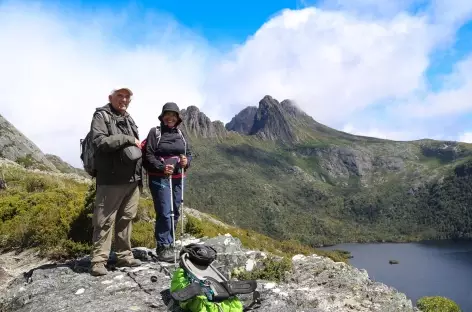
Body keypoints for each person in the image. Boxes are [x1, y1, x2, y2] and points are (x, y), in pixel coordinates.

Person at [89, 87, 143, 276]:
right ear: (110, 97)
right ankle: (98, 261)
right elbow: (100, 142)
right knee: (104, 220)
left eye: (127, 96)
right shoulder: (101, 117)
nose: (124, 99)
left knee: (126, 219)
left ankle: (124, 255)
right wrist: (128, 139)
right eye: (120, 95)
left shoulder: (128, 118)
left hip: (132, 179)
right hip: (111, 179)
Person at [143, 102, 192, 262]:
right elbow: (148, 155)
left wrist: (186, 162)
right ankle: (163, 246)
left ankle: (170, 243)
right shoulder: (155, 133)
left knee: (175, 211)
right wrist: (162, 167)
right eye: (167, 115)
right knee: (165, 211)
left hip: (178, 178)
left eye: (173, 115)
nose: (170, 118)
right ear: (163, 117)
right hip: (160, 178)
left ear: (177, 118)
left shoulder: (181, 134)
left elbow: (189, 153)